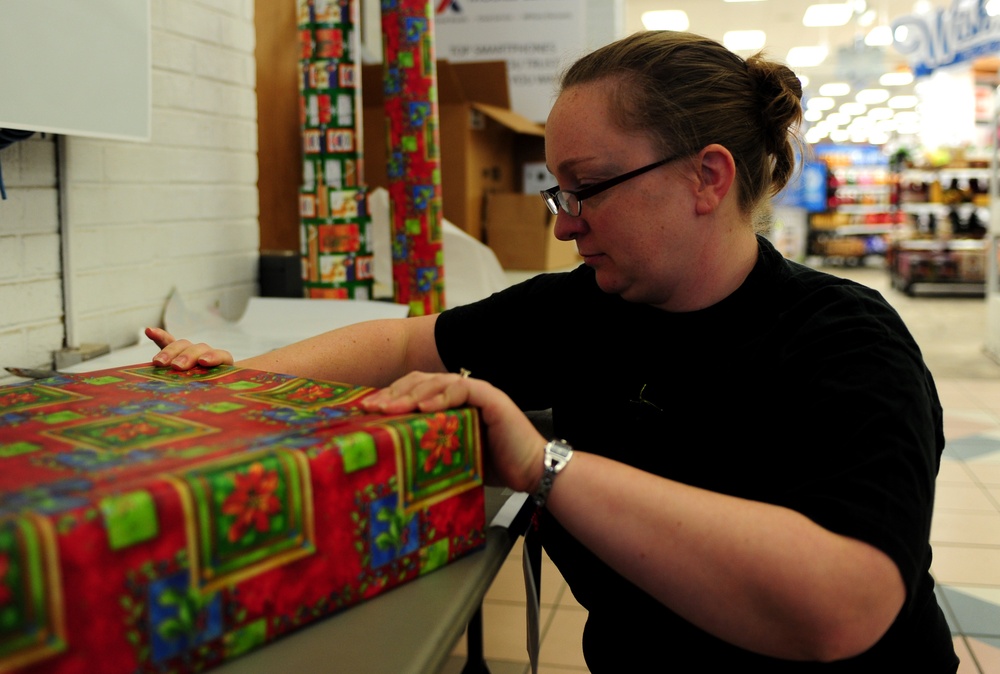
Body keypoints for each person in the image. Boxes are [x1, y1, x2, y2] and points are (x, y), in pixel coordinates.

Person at [147, 31, 959, 672]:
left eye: (589, 188)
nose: (565, 223)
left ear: (707, 178)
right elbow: (400, 341)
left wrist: (545, 465)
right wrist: (230, 382)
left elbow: (843, 608)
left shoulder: (846, 343)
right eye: (558, 193)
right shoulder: (586, 306)